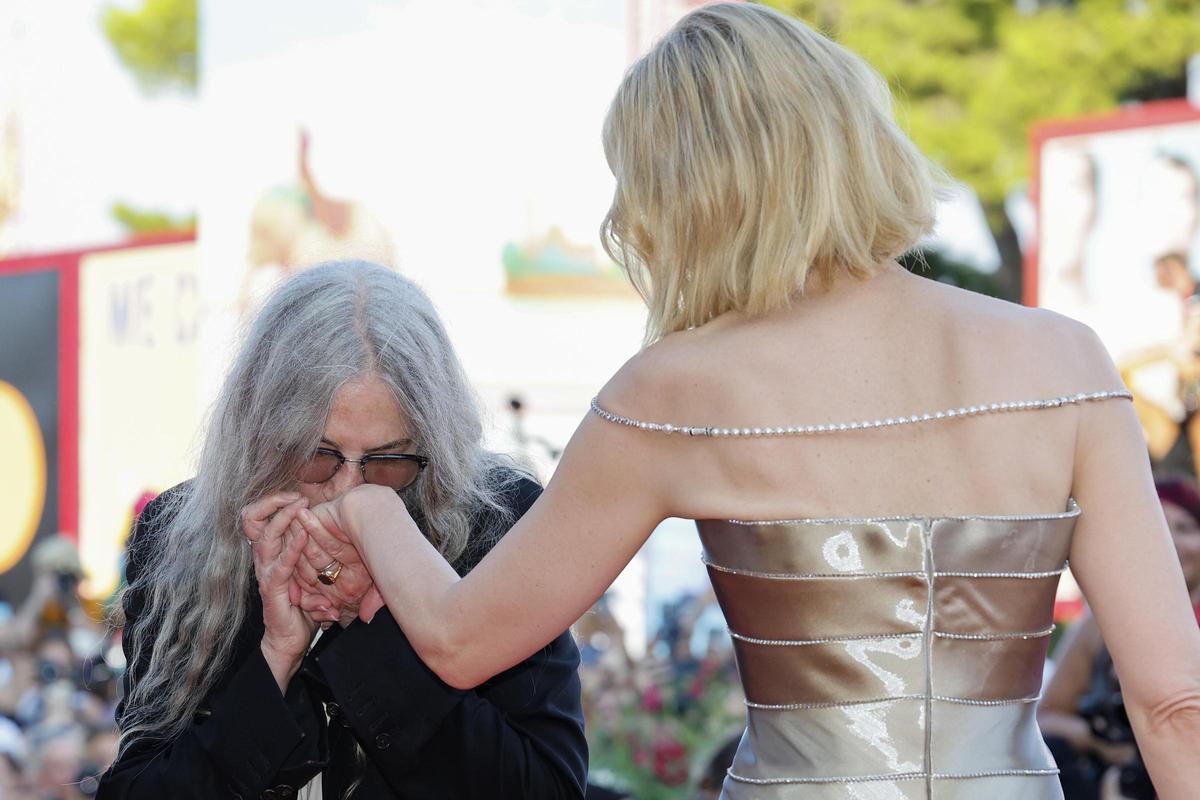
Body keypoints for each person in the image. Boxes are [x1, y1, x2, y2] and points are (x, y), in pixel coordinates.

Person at [290, 5, 1200, 799]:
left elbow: (459, 642)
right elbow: (1174, 707)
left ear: (677, 194)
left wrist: (368, 508)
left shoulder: (671, 393)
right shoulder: (1065, 360)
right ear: (852, 136)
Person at [97, 262, 588, 799]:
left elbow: (546, 788)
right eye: (318, 455)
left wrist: (369, 623)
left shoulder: (498, 525)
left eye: (388, 462)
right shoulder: (178, 538)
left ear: (433, 448)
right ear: (260, 438)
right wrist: (276, 659)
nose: (350, 493)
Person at [1039, 478, 1200, 799]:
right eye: (1156, 526)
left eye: (1184, 528)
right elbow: (1047, 718)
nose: (1170, 541)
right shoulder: (1102, 622)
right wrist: (1101, 742)